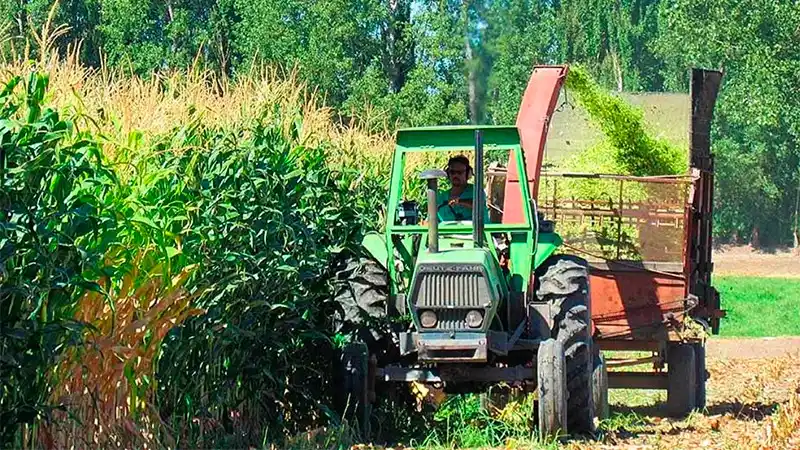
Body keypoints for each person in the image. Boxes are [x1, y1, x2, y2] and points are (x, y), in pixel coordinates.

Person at [436, 155, 490, 223]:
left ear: (468, 174)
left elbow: (479, 206)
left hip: (476, 230)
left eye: (460, 172)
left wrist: (460, 202)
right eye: (452, 172)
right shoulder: (441, 197)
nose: (455, 175)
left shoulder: (476, 191)